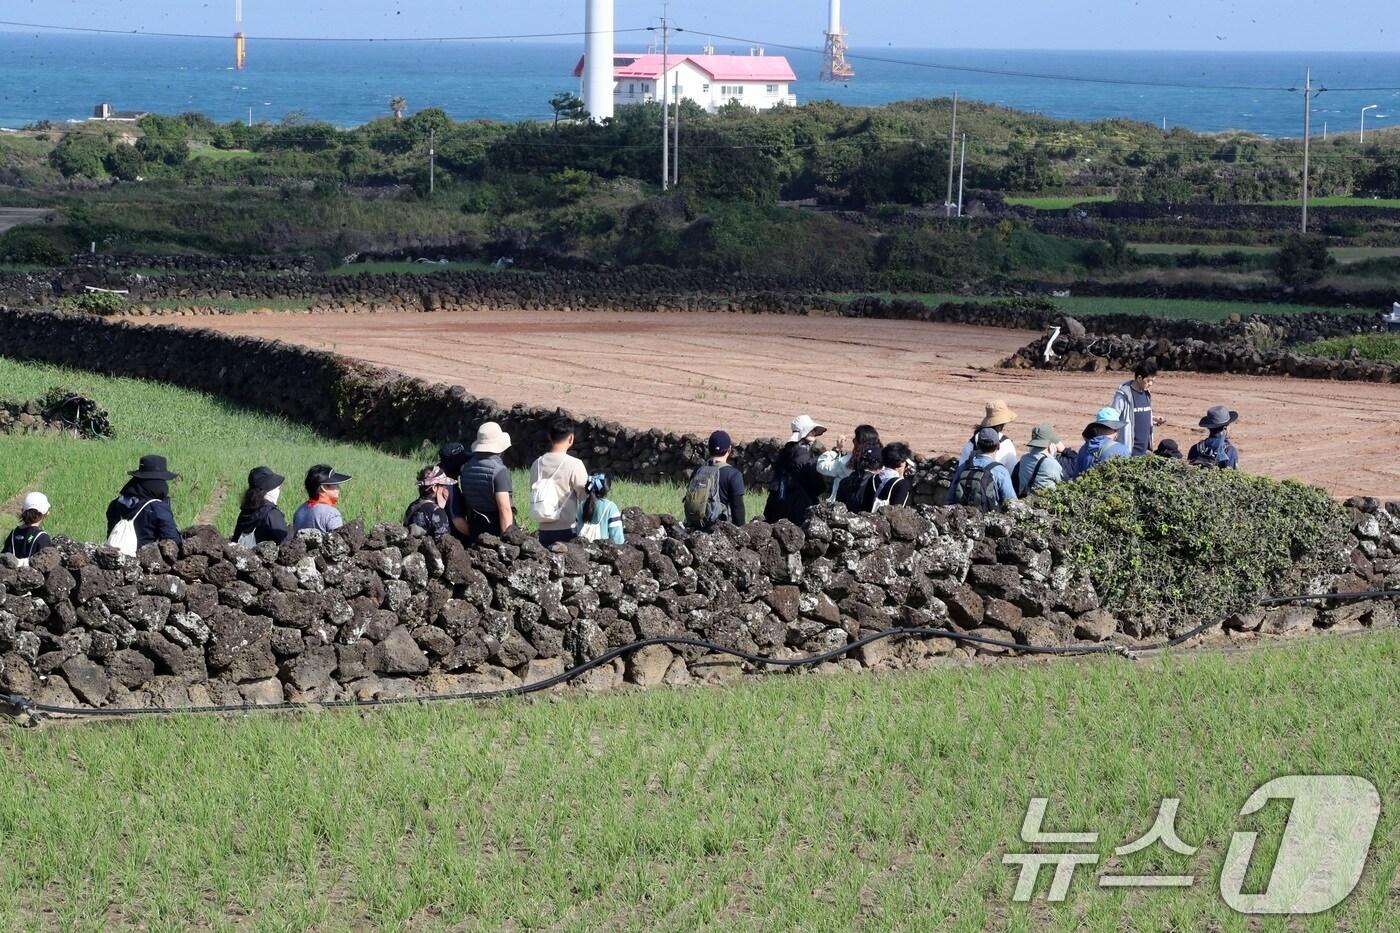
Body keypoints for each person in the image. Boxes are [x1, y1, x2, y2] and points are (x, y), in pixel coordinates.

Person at [529, 417, 589, 546]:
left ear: (549, 437)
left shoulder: (537, 464)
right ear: (571, 438)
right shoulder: (574, 464)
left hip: (543, 530)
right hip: (567, 529)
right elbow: (585, 496)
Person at [453, 421, 515, 543]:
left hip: (475, 527)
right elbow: (505, 510)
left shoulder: (466, 468)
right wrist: (506, 542)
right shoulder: (499, 471)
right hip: (496, 528)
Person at [106, 454, 182, 550]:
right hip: (145, 560)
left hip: (115, 555)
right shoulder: (157, 507)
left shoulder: (116, 503)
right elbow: (172, 539)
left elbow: (110, 533)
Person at [763, 414, 828, 526]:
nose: (813, 431)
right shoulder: (802, 455)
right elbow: (819, 484)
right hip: (798, 507)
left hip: (778, 505)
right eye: (810, 429)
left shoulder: (786, 452)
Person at [685, 430, 747, 530]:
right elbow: (738, 509)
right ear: (729, 450)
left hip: (696, 528)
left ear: (709, 449)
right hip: (720, 531)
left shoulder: (698, 470)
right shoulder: (734, 475)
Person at [946, 428, 1017, 511]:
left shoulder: (964, 466)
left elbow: (949, 499)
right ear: (998, 446)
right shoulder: (1000, 471)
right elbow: (1011, 503)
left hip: (963, 518)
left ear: (978, 445)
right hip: (989, 520)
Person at [1109, 359, 1166, 457]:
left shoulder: (1146, 393)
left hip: (1144, 451)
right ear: (1139, 378)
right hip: (1128, 452)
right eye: (1148, 380)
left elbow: (1138, 415)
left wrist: (1154, 419)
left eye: (1153, 381)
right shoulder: (1123, 395)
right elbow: (1112, 420)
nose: (1151, 384)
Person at [817, 424, 881, 506]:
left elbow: (822, 466)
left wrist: (837, 449)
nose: (853, 440)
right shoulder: (882, 463)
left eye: (855, 438)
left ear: (857, 443)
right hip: (869, 508)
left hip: (841, 506)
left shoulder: (845, 462)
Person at [231, 466, 290, 546]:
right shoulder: (271, 514)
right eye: (277, 488)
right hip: (264, 557)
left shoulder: (244, 512)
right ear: (268, 491)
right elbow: (285, 544)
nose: (278, 491)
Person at [957, 400, 1019, 474]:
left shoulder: (971, 442)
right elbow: (1011, 471)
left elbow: (961, 470)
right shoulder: (1006, 444)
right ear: (1002, 423)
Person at [855, 442, 914, 512]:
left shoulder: (873, 478)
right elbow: (899, 513)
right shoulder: (902, 484)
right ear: (901, 463)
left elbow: (866, 506)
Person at [293, 464, 351, 533]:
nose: (338, 488)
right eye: (336, 484)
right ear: (324, 487)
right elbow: (339, 542)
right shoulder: (331, 514)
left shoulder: (299, 511)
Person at [1073, 408, 1131, 476]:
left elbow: (1076, 478)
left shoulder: (1083, 449)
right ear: (1116, 429)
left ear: (1097, 428)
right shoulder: (1122, 450)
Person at [1012, 424, 1066, 496]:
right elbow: (1061, 483)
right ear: (1050, 444)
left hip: (1026, 500)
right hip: (1046, 503)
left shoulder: (1024, 459)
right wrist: (1052, 457)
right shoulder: (1052, 463)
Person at [405, 465, 455, 541]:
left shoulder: (413, 506)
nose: (446, 489)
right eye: (443, 486)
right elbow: (444, 544)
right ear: (434, 488)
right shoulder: (437, 512)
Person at [3, 492, 54, 563]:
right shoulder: (43, 538)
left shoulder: (13, 534)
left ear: (22, 511)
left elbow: (4, 559)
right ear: (46, 514)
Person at [576, 472, 625, 544]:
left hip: (582, 550)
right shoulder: (611, 507)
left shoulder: (580, 506)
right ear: (607, 489)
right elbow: (618, 539)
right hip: (603, 551)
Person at [437, 440, 470, 543]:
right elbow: (458, 522)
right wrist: (474, 538)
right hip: (451, 540)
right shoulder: (449, 487)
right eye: (464, 462)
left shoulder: (437, 479)